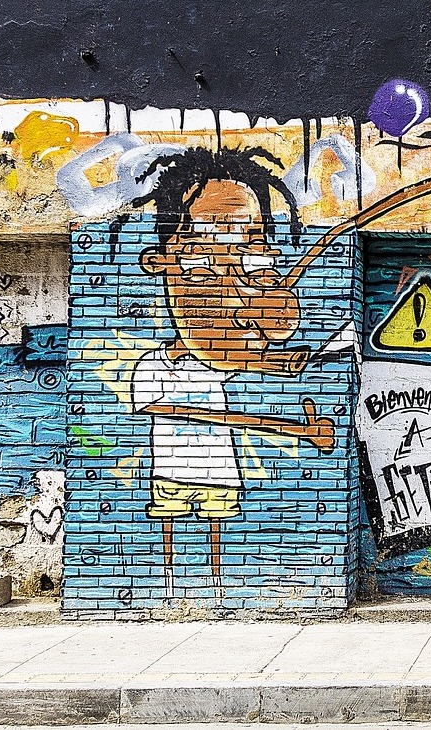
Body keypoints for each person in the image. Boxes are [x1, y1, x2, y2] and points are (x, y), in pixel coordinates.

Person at [130, 146, 336, 578]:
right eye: (202, 266)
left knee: (217, 525)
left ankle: (219, 581)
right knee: (169, 519)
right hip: (171, 466)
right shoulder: (151, 366)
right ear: (157, 262)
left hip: (219, 468)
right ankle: (167, 579)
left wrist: (270, 311)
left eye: (255, 255)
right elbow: (165, 402)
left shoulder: (234, 340)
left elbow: (265, 331)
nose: (239, 305)